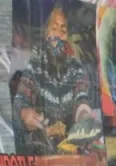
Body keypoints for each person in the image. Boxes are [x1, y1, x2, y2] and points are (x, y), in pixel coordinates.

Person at [13, 4, 99, 156]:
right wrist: (25, 113)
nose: (58, 34)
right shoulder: (34, 66)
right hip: (41, 153)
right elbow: (20, 101)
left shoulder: (76, 67)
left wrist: (84, 118)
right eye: (54, 28)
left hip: (71, 151)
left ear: (67, 37)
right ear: (46, 33)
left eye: (63, 30)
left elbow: (81, 98)